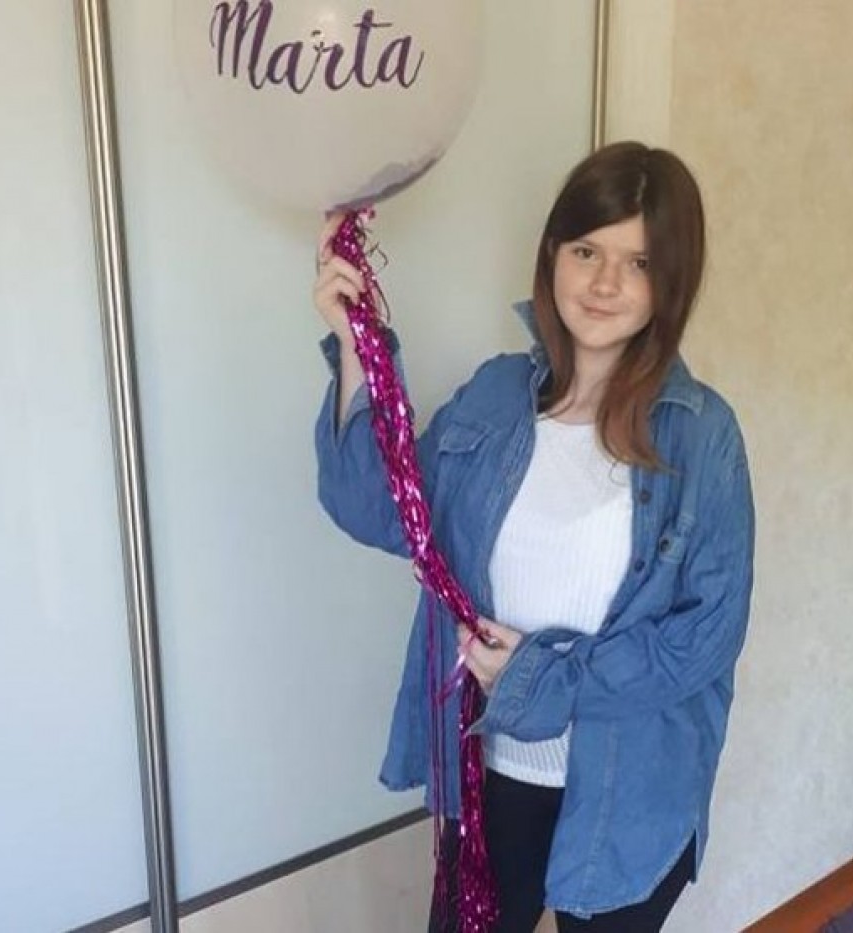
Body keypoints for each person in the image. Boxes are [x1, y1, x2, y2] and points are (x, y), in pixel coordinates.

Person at [313, 141, 755, 933]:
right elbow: (377, 508)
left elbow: (705, 638)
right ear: (553, 253)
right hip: (492, 778)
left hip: (629, 797)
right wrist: (356, 346)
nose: (605, 282)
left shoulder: (701, 435)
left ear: (671, 281)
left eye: (638, 262)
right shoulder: (494, 397)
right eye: (586, 251)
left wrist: (543, 679)